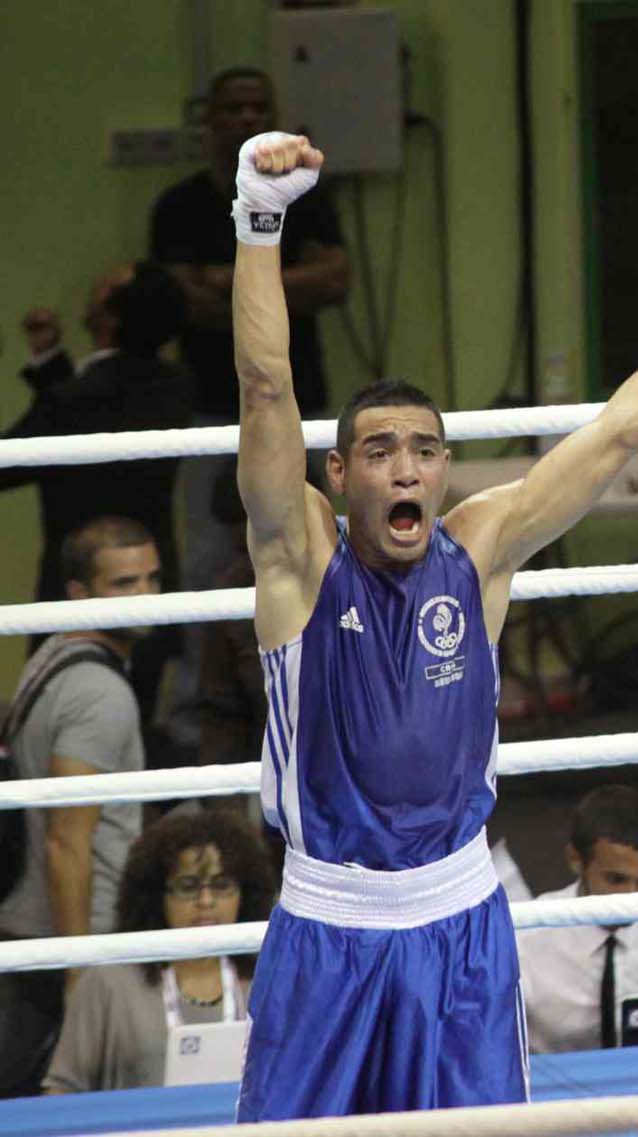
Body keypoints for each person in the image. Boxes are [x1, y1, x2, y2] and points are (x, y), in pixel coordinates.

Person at [228, 130, 638, 1119]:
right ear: (337, 474)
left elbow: (620, 430)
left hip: (458, 924)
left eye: (424, 450)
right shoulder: (300, 563)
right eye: (377, 452)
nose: (405, 468)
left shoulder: (479, 549)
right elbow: (266, 385)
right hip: (328, 923)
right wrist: (261, 219)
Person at [150, 66, 348, 737]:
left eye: (257, 105)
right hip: (210, 409)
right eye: (232, 106)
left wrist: (241, 283)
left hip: (305, 403)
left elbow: (337, 277)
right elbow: (183, 299)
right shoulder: (178, 205)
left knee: (318, 540)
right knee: (211, 559)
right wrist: (275, 283)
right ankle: (197, 717)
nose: (245, 116)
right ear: (209, 118)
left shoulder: (308, 194)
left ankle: (326, 692)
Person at [0, 516, 162, 1097]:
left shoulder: (49, 654)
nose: (145, 597)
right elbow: (67, 838)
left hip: (40, 929)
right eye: (123, 584)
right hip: (77, 938)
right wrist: (78, 975)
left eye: (151, 579)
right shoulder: (100, 692)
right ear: (78, 594)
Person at [3, 267, 190, 719]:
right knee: (131, 735)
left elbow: (19, 453)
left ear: (110, 315)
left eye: (107, 283)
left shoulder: (78, 399)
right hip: (150, 584)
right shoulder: (176, 385)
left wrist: (53, 375)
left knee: (62, 729)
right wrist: (51, 364)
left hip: (80, 591)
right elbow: (93, 401)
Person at [42, 809, 277, 1093]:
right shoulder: (109, 983)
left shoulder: (268, 979)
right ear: (155, 895)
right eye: (188, 887)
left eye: (222, 885)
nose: (206, 901)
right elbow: (61, 1091)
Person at [494, 786, 638, 1053]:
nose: (632, 897)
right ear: (576, 859)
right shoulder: (527, 933)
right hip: (553, 1089)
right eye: (616, 879)